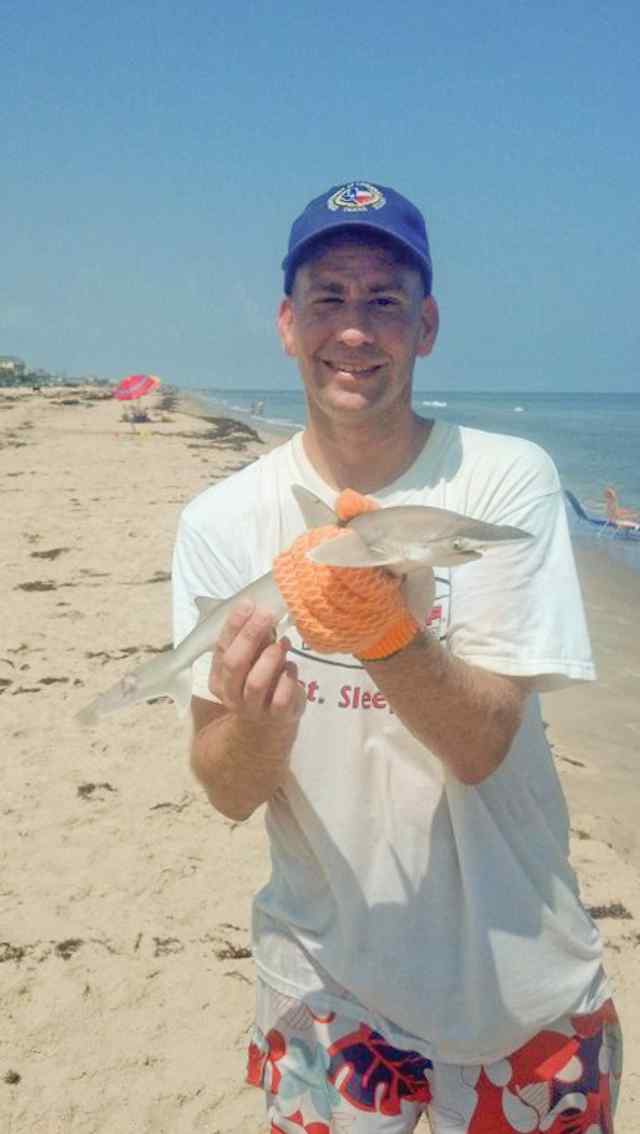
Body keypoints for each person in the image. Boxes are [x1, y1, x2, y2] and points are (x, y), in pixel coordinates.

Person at [172, 182, 622, 1132]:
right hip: (326, 991)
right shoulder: (218, 523)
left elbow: (482, 741)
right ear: (288, 325)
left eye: (385, 301)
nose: (354, 329)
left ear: (427, 326)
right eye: (328, 298)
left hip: (520, 991)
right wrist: (261, 728)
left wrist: (380, 632)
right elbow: (223, 786)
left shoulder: (505, 480)